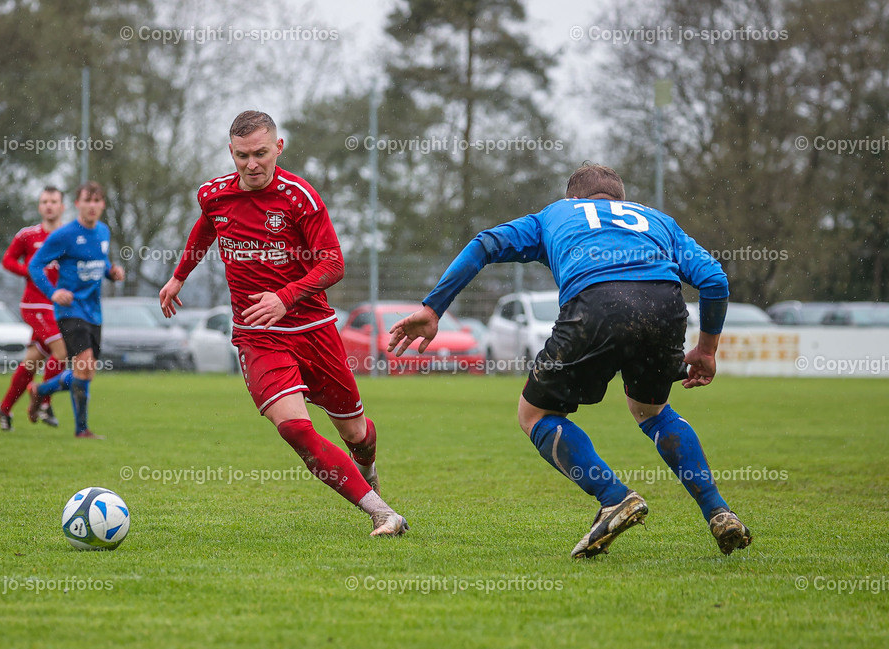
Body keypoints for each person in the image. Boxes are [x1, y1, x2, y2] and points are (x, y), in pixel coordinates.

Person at [387, 164, 751, 558]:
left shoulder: (556, 214)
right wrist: (707, 351)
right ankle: (719, 512)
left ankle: (614, 496)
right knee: (651, 410)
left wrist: (433, 308)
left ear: (572, 198)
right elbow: (715, 280)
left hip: (595, 306)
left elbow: (484, 244)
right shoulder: (657, 220)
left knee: (534, 415)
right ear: (621, 201)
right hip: (664, 307)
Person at [158, 110, 408, 536]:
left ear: (278, 147)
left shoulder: (300, 197)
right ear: (230, 152)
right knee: (293, 427)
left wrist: (285, 297)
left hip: (314, 331)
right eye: (241, 156)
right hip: (257, 337)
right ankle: (383, 513)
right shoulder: (214, 194)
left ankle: (366, 467)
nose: (251, 164)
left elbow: (333, 263)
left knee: (357, 433)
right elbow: (207, 226)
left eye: (259, 153)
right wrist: (180, 274)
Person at [27, 181, 124, 438]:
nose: (92, 206)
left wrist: (112, 273)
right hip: (70, 311)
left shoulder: (103, 232)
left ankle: (41, 391)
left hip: (94, 311)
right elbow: (35, 265)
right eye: (87, 201)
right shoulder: (64, 235)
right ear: (77, 204)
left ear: (102, 204)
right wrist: (53, 292)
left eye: (96, 201)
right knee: (84, 364)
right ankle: (82, 430)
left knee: (86, 371)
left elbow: (101, 263)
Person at [0, 187, 69, 431]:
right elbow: (8, 260)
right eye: (44, 201)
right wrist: (31, 273)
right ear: (39, 207)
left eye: (53, 201)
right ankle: (44, 402)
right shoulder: (28, 235)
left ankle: (3, 408)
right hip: (34, 305)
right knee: (62, 351)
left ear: (62, 206)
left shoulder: (68, 235)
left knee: (32, 362)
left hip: (57, 308)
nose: (49, 205)